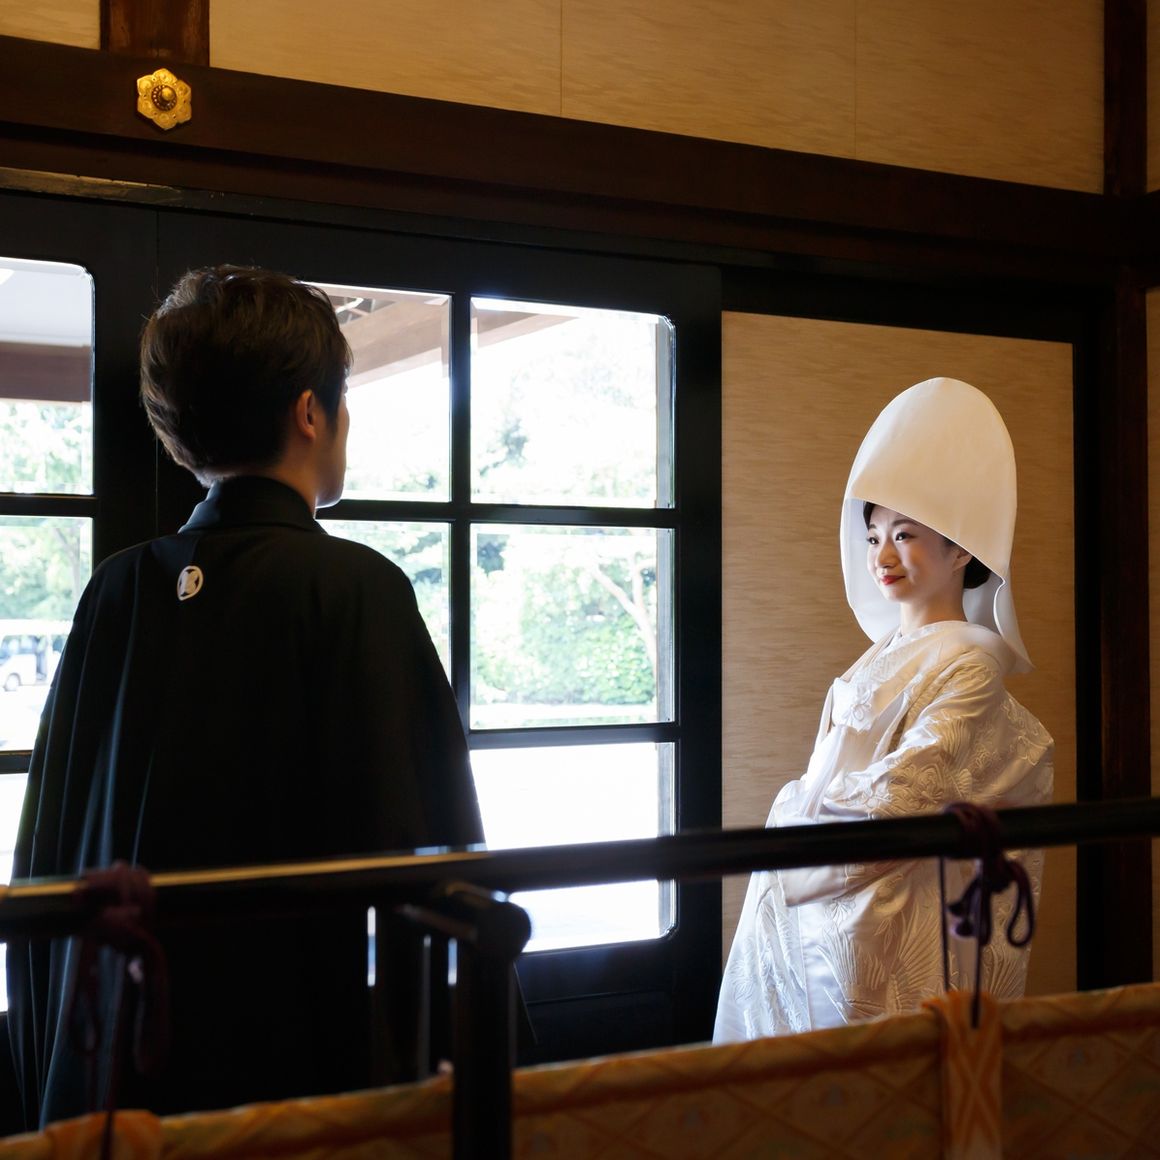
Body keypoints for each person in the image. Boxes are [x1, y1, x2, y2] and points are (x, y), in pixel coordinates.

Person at [8, 266, 484, 1126]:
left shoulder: (117, 588)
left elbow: (53, 842)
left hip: (125, 1051)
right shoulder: (356, 588)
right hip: (290, 1068)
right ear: (311, 412)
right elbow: (426, 849)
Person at [714, 377, 1054, 1041]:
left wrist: (792, 812)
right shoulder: (879, 656)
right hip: (818, 894)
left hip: (881, 914)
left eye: (905, 535)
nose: (883, 557)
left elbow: (908, 789)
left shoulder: (972, 664)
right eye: (873, 538)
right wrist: (801, 816)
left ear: (960, 549)